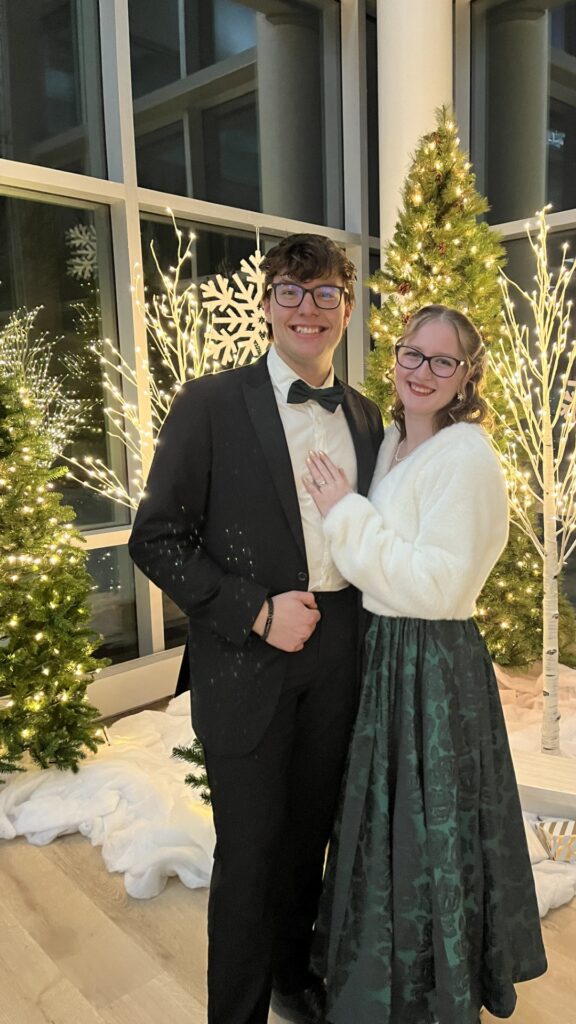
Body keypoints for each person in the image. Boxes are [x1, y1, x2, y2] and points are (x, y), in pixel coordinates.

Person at [128, 233, 384, 1024]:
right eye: (291, 292)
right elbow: (155, 539)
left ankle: (289, 975)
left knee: (310, 836)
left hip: (340, 650)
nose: (309, 309)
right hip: (248, 655)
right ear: (267, 304)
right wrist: (257, 611)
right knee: (248, 853)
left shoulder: (368, 417)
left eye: (326, 293)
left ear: (347, 307)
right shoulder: (209, 404)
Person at [304, 304, 548, 1024]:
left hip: (431, 664)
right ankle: (384, 977)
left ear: (467, 376)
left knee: (425, 827)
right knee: (387, 824)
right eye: (413, 354)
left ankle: (427, 990)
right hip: (387, 653)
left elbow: (439, 585)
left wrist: (344, 513)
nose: (422, 372)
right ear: (396, 357)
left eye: (443, 361)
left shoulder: (466, 455)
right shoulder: (392, 442)